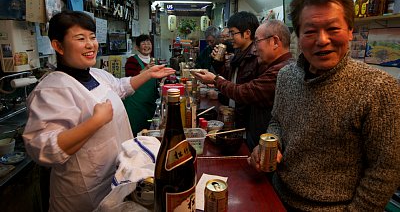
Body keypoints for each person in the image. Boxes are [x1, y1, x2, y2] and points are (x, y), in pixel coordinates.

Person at [248, 0, 400, 211]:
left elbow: (385, 171)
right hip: (277, 196)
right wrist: (270, 145)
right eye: (310, 31)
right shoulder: (287, 76)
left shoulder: (379, 88)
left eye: (333, 29)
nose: (322, 40)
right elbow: (277, 122)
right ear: (298, 35)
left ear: (350, 31)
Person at [22, 11, 175, 212]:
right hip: (81, 194)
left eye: (92, 37)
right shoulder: (51, 89)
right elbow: (44, 150)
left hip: (114, 181)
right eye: (80, 38)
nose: (90, 44)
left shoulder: (97, 74)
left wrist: (147, 74)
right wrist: (95, 122)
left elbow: (121, 86)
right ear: (58, 46)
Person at [193, 14, 293, 150]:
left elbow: (246, 92)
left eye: (257, 41)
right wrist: (218, 64)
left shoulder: (281, 70)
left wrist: (215, 80)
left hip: (259, 135)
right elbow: (233, 80)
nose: (255, 47)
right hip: (253, 131)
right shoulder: (245, 56)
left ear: (275, 42)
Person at [123, 34, 158, 135]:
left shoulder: (154, 60)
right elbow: (130, 79)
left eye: (148, 43)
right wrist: (146, 69)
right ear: (137, 47)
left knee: (148, 133)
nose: (147, 45)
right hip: (136, 105)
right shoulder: (132, 61)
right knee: (135, 133)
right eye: (143, 43)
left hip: (150, 103)